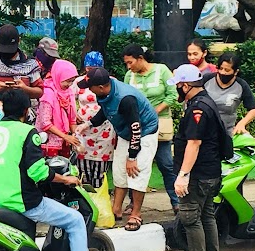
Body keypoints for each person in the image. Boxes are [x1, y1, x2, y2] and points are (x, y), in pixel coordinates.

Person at [0, 89, 110, 251]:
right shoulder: (27, 132)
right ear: (26, 111)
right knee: (75, 219)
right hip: (22, 201)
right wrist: (66, 178)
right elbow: (38, 172)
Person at [76, 68, 158, 232]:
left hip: (144, 133)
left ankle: (136, 213)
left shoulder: (125, 99)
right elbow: (105, 113)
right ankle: (117, 209)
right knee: (119, 171)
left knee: (136, 172)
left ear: (100, 86)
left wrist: (133, 156)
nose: (88, 89)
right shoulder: (104, 94)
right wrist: (87, 124)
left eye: (89, 86)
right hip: (125, 133)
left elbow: (136, 129)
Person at [167, 64, 223, 251]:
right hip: (211, 171)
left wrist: (183, 175)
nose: (177, 90)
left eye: (178, 86)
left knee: (190, 217)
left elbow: (194, 143)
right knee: (207, 215)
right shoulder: (206, 101)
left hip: (198, 174)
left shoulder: (197, 108)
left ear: (186, 85)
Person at [123, 44, 179, 213]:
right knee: (135, 166)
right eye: (126, 63)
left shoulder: (162, 70)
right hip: (137, 128)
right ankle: (133, 202)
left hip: (159, 125)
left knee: (166, 164)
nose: (128, 66)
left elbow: (173, 95)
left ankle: (176, 201)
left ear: (141, 59)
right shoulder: (129, 76)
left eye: (130, 62)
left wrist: (155, 111)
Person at [73, 51, 116, 188]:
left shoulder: (111, 82)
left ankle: (100, 194)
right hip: (83, 128)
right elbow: (69, 99)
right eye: (89, 68)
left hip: (104, 128)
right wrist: (74, 114)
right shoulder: (79, 82)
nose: (90, 72)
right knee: (82, 165)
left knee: (99, 167)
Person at [203, 52, 255, 136]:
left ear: (235, 72)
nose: (223, 72)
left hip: (227, 132)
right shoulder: (207, 79)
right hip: (204, 131)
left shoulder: (241, 85)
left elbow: (254, 109)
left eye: (227, 70)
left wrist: (242, 123)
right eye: (220, 69)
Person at [35, 59, 80, 157]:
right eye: (67, 81)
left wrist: (75, 136)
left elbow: (72, 120)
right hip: (48, 143)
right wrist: (65, 136)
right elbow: (45, 123)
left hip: (64, 142)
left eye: (72, 81)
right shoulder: (47, 93)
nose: (69, 85)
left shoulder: (68, 93)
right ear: (58, 76)